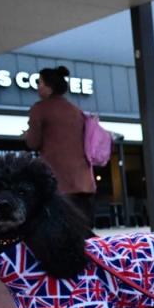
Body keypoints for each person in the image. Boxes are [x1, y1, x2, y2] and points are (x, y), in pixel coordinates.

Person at [23, 65, 97, 226]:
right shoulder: (75, 110)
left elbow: (33, 142)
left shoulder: (40, 109)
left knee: (59, 231)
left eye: (40, 82)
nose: (38, 87)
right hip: (83, 182)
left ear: (49, 86)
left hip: (58, 181)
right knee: (84, 231)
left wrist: (27, 135)